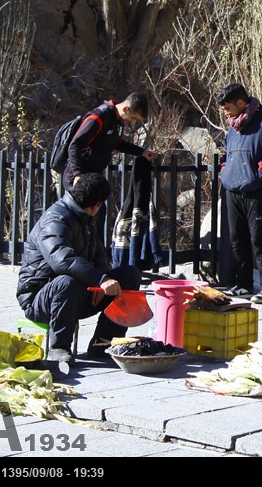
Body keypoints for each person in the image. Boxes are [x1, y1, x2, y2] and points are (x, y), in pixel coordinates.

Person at [16, 174, 142, 366]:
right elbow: (62, 259)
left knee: (129, 275)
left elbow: (100, 254)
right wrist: (99, 280)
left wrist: (102, 279)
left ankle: (103, 343)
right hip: (40, 299)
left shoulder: (84, 217)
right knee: (67, 281)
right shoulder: (55, 219)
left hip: (81, 294)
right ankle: (59, 348)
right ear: (97, 205)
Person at [218, 82, 262, 304]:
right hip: (232, 189)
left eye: (228, 107)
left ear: (241, 102)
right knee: (237, 238)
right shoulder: (232, 126)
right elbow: (226, 153)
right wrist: (225, 172)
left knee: (260, 238)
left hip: (256, 189)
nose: (226, 113)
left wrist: (258, 176)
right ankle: (243, 284)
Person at [63, 93, 157, 190]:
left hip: (93, 176)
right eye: (133, 118)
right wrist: (78, 174)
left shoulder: (115, 120)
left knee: (98, 205)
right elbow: (75, 145)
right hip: (78, 177)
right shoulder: (99, 117)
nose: (133, 122)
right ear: (125, 109)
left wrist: (142, 152)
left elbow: (118, 143)